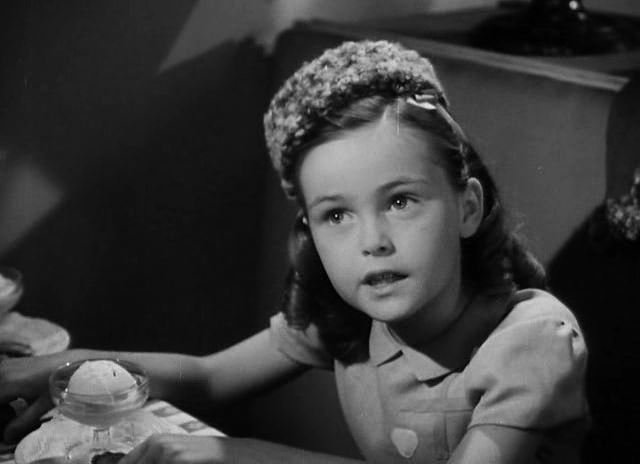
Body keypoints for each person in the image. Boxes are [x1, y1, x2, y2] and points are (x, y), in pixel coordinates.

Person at [0, 40, 588, 463]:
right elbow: (208, 379)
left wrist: (246, 455)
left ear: (467, 207)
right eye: (337, 215)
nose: (372, 240)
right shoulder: (351, 314)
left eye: (401, 201)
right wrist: (68, 367)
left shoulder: (532, 342)